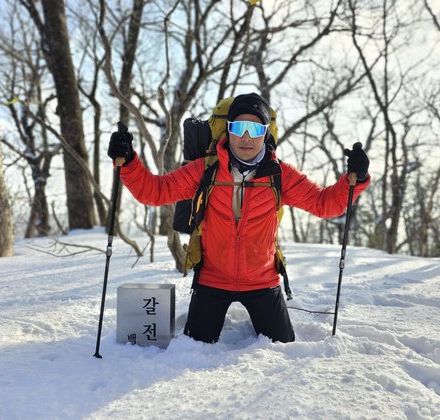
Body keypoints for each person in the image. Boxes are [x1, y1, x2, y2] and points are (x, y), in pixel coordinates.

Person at [107, 92, 370, 344]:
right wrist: (129, 161)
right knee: (194, 350)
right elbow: (155, 191)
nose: (246, 137)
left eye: (255, 129)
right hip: (212, 278)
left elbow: (325, 204)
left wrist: (354, 180)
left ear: (265, 133)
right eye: (238, 127)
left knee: (283, 348)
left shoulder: (280, 175)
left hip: (262, 281)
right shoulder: (206, 169)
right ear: (228, 130)